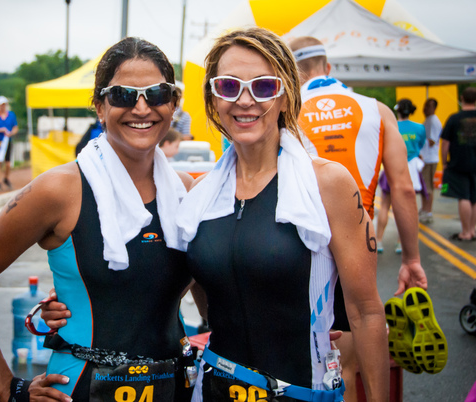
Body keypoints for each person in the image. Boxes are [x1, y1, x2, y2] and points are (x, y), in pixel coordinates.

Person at [44, 28, 388, 402]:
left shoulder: (327, 184)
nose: (245, 100)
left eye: (263, 87)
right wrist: (74, 296)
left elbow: (366, 312)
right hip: (213, 389)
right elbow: (178, 279)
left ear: (286, 96)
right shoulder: (201, 195)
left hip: (300, 392)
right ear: (213, 99)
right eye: (228, 86)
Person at [0, 37, 196, 402]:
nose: (142, 108)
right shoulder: (58, 190)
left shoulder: (185, 192)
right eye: (123, 95)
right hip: (79, 389)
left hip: (175, 389)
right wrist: (8, 388)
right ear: (99, 105)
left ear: (173, 104)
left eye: (156, 94)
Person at [290, 36, 428, 400]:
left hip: (296, 249)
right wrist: (411, 259)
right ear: (328, 66)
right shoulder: (377, 109)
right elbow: (401, 188)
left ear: (292, 69)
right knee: (343, 372)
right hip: (355, 250)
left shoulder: (284, 107)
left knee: (294, 369)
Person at [376, 99, 426, 253]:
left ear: (397, 110)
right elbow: (420, 145)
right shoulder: (420, 128)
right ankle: (400, 243)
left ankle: (378, 241)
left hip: (391, 167)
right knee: (407, 207)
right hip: (410, 169)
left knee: (385, 205)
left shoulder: (391, 125)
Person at [440, 87, 476, 241]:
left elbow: (445, 144)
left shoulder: (454, 118)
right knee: (474, 198)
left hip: (459, 163)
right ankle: (473, 230)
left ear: (462, 98)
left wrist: (444, 162)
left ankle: (466, 232)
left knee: (464, 197)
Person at [419, 98, 442, 224]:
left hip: (429, 158)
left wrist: (417, 140)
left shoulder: (433, 121)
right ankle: (424, 208)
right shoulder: (428, 120)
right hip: (425, 158)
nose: (425, 108)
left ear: (434, 107)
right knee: (424, 186)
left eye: (428, 106)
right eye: (425, 105)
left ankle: (428, 211)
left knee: (428, 186)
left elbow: (432, 141)